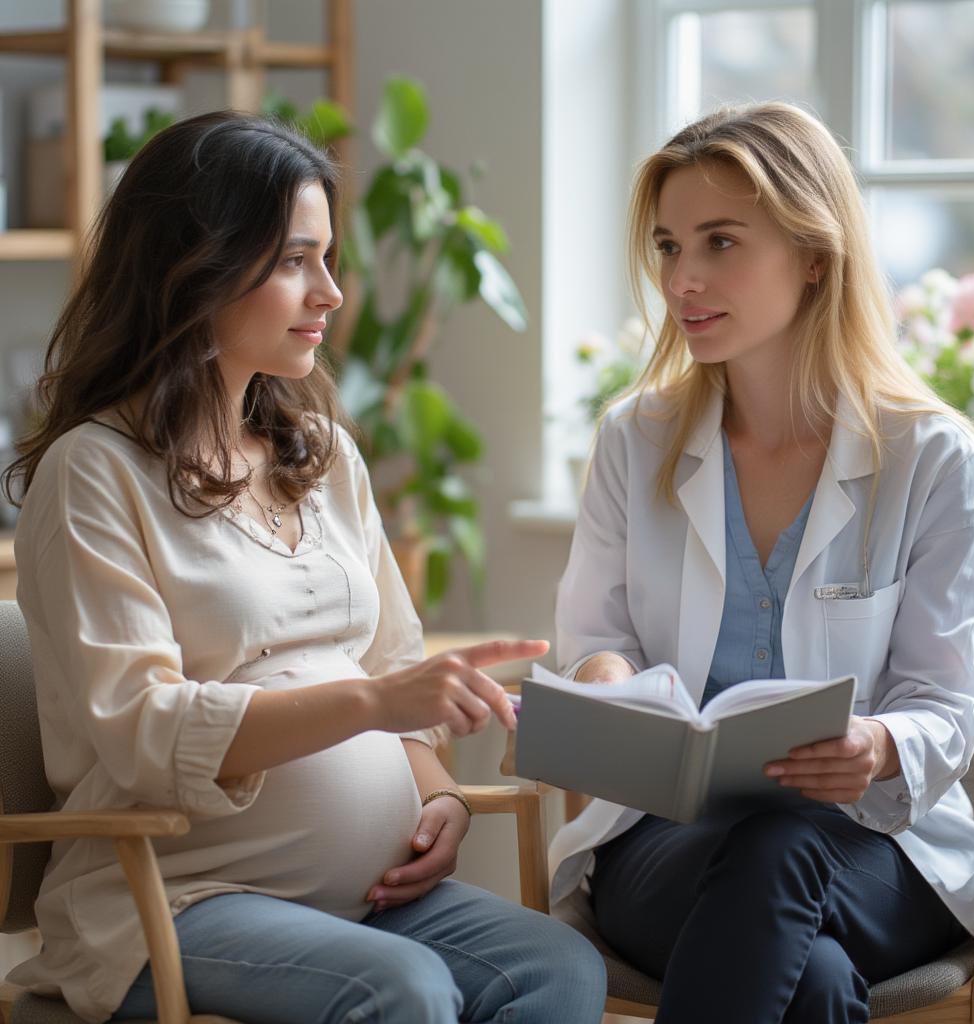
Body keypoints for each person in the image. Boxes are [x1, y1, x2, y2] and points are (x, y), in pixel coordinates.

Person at [2, 110, 606, 1024]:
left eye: (327, 258)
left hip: (374, 899)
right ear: (190, 267)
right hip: (181, 901)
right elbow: (141, 728)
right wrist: (373, 707)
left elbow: (394, 667)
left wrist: (436, 793)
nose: (330, 292)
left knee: (558, 968)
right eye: (293, 261)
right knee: (401, 990)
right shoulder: (94, 472)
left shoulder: (321, 453)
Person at [548, 102, 974, 1024]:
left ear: (815, 254)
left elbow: (947, 701)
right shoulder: (632, 440)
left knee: (782, 860)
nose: (683, 279)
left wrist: (876, 747)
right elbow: (594, 642)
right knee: (810, 975)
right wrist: (612, 687)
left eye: (720, 242)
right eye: (669, 247)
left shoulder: (929, 457)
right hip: (667, 847)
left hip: (879, 851)